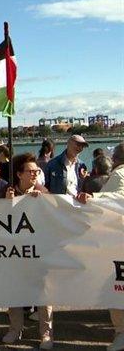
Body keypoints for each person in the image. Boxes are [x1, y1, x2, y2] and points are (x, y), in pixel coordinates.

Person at [76, 142, 124, 351]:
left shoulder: (120, 175)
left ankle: (122, 333)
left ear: (115, 159)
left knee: (117, 287)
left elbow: (114, 200)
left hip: (117, 240)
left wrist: (94, 197)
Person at [3, 153, 53, 349]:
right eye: (30, 171)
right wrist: (6, 204)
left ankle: (46, 334)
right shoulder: (7, 193)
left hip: (38, 252)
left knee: (44, 294)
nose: (34, 174)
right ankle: (15, 329)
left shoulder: (43, 192)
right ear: (19, 174)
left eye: (36, 171)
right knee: (13, 292)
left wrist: (43, 203)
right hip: (14, 253)